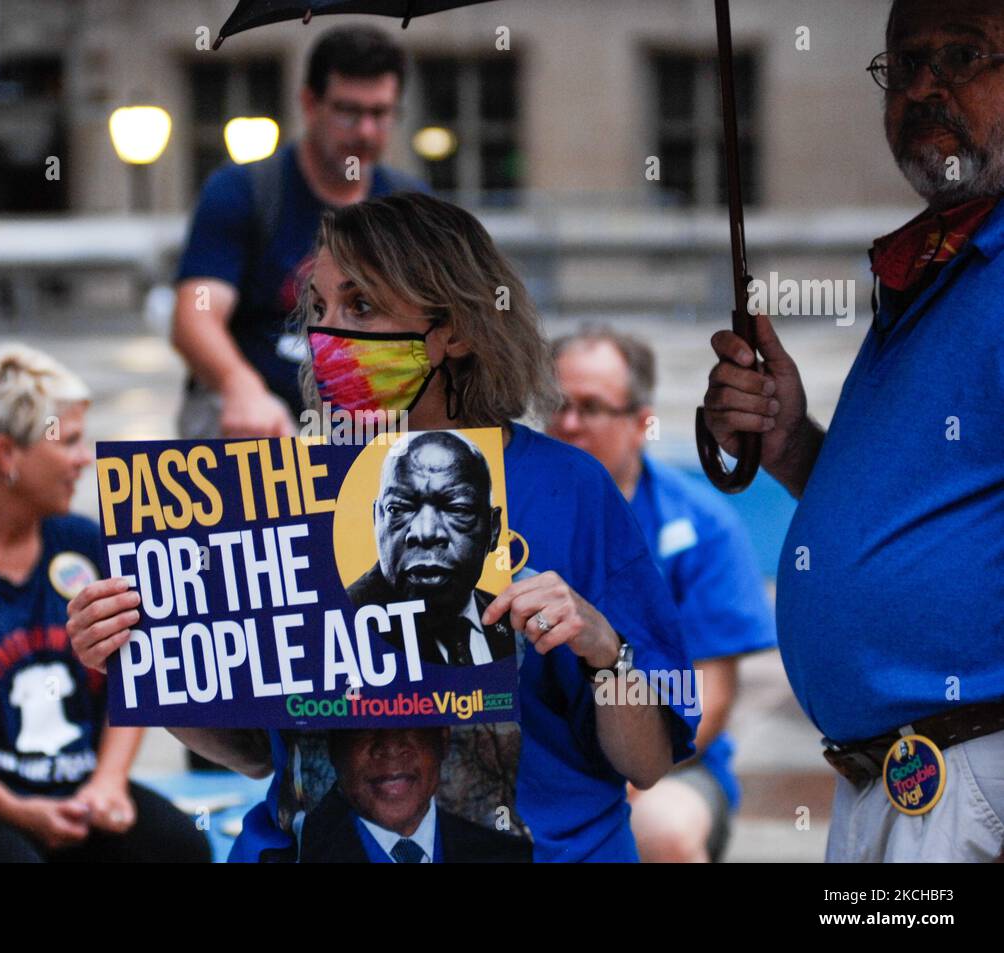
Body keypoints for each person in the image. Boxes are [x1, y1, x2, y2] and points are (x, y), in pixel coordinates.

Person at [70, 193, 700, 862]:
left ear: (454, 328)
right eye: (318, 309)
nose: (325, 334)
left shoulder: (570, 488)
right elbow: (252, 752)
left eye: (360, 306)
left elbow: (649, 761)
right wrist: (143, 660)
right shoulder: (282, 491)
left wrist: (603, 646)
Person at [701, 0, 1004, 862]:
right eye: (901, 64)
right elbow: (930, 510)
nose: (923, 86)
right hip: (899, 787)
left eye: (962, 54)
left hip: (971, 782)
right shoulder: (940, 263)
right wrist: (791, 443)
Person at [0, 343, 210, 863]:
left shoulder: (83, 542)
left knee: (179, 847)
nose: (85, 458)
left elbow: (133, 674)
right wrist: (16, 810)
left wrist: (108, 785)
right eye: (69, 441)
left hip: (72, 791)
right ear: (6, 453)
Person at [549, 327, 776, 862]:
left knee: (663, 833)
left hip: (670, 767)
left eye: (591, 407)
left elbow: (709, 698)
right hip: (538, 761)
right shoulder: (510, 513)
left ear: (641, 422)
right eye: (557, 405)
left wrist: (631, 774)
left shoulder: (702, 525)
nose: (569, 423)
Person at [172, 25, 427, 440]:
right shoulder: (246, 191)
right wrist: (240, 386)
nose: (365, 132)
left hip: (371, 420)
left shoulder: (410, 203)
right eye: (348, 111)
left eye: (380, 114)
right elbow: (194, 316)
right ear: (310, 104)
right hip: (262, 422)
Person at [345, 430, 515, 666]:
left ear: (493, 529)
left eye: (458, 509)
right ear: (377, 520)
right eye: (399, 509)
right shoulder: (340, 623)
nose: (425, 532)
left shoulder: (510, 621)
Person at [299, 729, 532, 862]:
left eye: (411, 715)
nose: (390, 746)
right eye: (363, 723)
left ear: (443, 739)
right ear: (334, 747)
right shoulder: (295, 855)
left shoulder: (514, 857)